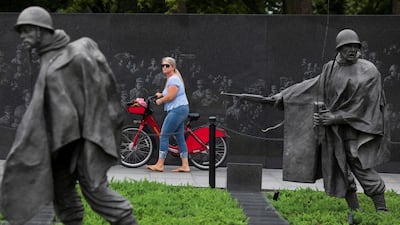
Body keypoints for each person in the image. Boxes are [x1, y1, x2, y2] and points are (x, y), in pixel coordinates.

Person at [0, 6, 137, 225]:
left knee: (96, 192)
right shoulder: (47, 58)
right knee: (62, 194)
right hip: (61, 145)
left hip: (84, 140)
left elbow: (99, 97)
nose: (23, 37)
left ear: (40, 30)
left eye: (26, 31)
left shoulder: (74, 56)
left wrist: (91, 137)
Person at [268, 29, 390, 213]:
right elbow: (314, 85)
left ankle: (381, 209)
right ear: (339, 49)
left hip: (358, 129)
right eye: (347, 46)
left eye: (355, 46)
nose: (352, 50)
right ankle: (354, 209)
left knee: (360, 165)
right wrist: (284, 95)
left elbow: (366, 104)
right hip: (334, 132)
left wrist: (336, 117)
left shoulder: (369, 71)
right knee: (340, 168)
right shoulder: (331, 67)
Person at [146, 57, 190, 172]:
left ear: (173, 67)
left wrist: (160, 101)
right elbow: (169, 93)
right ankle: (185, 165)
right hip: (180, 109)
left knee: (164, 135)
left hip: (177, 110)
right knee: (179, 137)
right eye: (163, 65)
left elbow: (171, 96)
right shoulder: (171, 79)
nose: (164, 67)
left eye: (167, 66)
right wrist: (161, 94)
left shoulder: (173, 80)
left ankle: (160, 164)